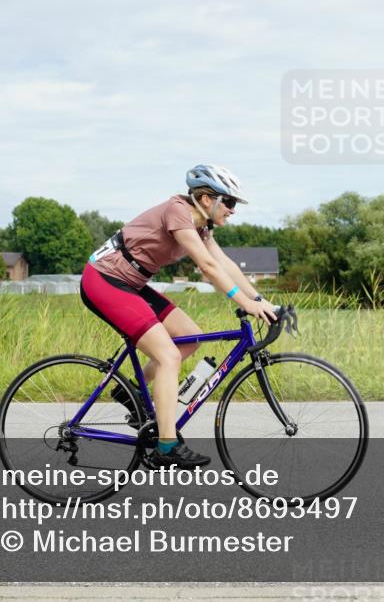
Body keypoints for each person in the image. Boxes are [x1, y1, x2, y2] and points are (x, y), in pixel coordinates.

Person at [79, 164, 276, 469]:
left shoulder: (202, 226)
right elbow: (207, 268)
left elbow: (223, 263)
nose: (233, 210)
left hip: (131, 283)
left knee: (189, 337)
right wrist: (244, 303)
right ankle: (167, 446)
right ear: (207, 199)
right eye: (229, 202)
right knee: (168, 356)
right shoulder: (178, 212)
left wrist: (261, 301)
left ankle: (132, 392)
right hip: (104, 280)